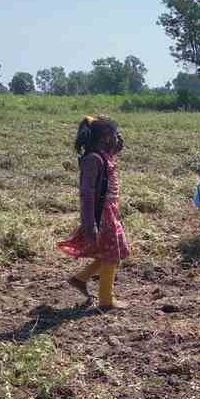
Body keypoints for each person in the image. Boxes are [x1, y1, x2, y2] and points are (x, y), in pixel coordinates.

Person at [58, 115, 130, 310]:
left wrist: (116, 146)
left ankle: (80, 279)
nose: (119, 137)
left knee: (113, 251)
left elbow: (111, 160)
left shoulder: (103, 154)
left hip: (110, 211)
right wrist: (90, 224)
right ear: (106, 136)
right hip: (101, 213)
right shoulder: (93, 159)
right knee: (112, 253)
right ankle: (106, 300)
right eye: (116, 134)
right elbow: (87, 193)